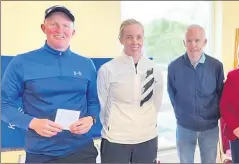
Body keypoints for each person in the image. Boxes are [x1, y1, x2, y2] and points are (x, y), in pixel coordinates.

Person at [1, 5, 99, 163]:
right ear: (43, 28)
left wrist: (91, 119)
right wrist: (32, 122)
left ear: (73, 32)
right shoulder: (21, 62)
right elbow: (4, 104)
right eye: (54, 24)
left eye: (66, 25)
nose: (60, 30)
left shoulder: (86, 64)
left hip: (81, 151)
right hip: (40, 154)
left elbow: (94, 102)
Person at [97, 19, 164, 163]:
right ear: (121, 40)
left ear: (143, 39)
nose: (135, 41)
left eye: (139, 37)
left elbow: (156, 102)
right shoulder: (108, 69)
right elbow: (102, 104)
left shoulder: (154, 69)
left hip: (147, 138)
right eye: (129, 37)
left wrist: (147, 122)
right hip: (115, 139)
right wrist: (113, 126)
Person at [167, 24, 224, 163]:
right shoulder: (174, 67)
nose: (193, 45)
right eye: (189, 40)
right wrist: (182, 114)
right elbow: (172, 93)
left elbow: (220, 93)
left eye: (197, 40)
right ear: (184, 43)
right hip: (184, 127)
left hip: (210, 127)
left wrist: (213, 114)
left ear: (205, 42)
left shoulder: (216, 66)